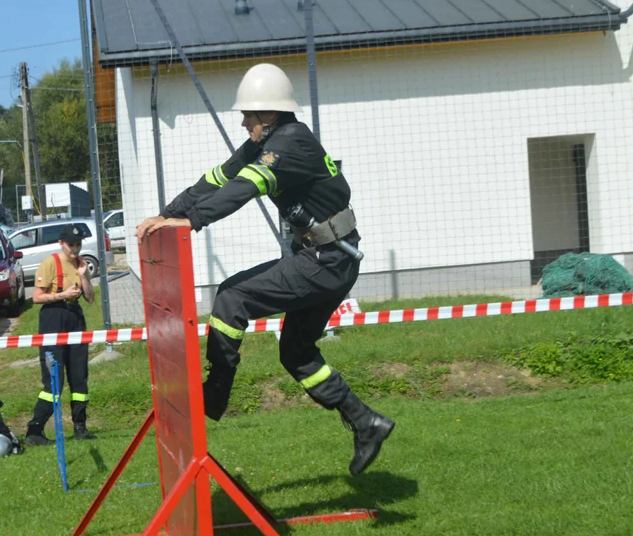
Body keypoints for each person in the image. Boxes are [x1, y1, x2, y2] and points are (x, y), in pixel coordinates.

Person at [135, 63, 394, 476]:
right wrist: (167, 215)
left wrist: (193, 221)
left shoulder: (290, 144)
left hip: (325, 260)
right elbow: (217, 180)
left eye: (247, 115)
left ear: (267, 114)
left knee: (231, 296)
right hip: (329, 259)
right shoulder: (266, 143)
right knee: (296, 352)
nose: (242, 122)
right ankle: (366, 422)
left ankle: (216, 394)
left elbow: (244, 189)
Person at [24, 224, 96, 445]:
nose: (75, 249)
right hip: (53, 318)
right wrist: (62, 294)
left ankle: (80, 427)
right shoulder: (50, 263)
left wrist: (84, 277)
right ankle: (35, 430)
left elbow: (91, 298)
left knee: (79, 376)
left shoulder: (81, 264)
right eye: (70, 245)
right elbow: (36, 297)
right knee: (54, 379)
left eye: (78, 244)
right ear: (61, 243)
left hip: (75, 317)